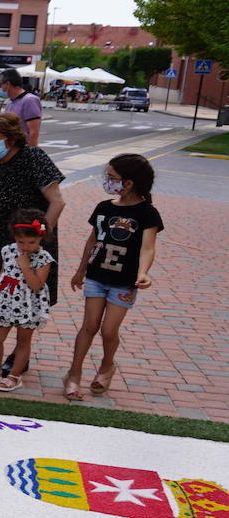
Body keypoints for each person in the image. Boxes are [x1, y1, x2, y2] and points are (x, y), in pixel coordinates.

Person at [0, 112, 65, 374]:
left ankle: (19, 354)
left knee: (24, 297)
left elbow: (57, 202)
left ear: (12, 138)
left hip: (29, 244)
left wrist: (40, 239)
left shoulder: (33, 158)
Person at [64, 154, 162, 400]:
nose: (107, 181)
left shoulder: (147, 213)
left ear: (129, 183)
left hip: (125, 282)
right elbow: (92, 241)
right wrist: (80, 270)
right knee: (89, 325)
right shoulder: (104, 208)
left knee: (109, 330)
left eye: (112, 177)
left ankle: (107, 366)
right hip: (96, 276)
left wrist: (143, 273)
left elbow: (148, 247)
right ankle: (74, 374)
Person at [0, 209, 54, 392]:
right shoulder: (7, 250)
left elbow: (36, 285)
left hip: (28, 304)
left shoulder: (44, 258)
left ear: (41, 238)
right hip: (6, 300)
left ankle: (14, 375)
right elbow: (4, 272)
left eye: (31, 242)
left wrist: (25, 267)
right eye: (21, 241)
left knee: (23, 341)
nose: (25, 246)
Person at [0, 67, 42, 147]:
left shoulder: (29, 100)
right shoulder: (10, 102)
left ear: (8, 84)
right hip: (11, 149)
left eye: (0, 85)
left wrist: (30, 152)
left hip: (23, 149)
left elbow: (33, 133)